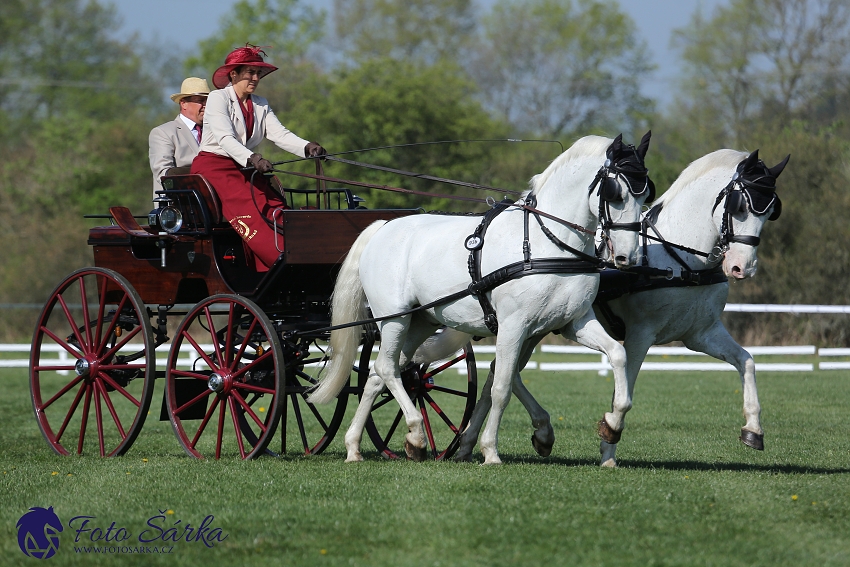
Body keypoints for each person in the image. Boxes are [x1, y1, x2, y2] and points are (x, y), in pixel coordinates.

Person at [191, 45, 326, 271]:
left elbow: (280, 134)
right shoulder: (218, 98)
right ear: (233, 74)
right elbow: (225, 138)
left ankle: (302, 252)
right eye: (250, 73)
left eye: (258, 74)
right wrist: (253, 158)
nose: (255, 78)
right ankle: (279, 258)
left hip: (243, 168)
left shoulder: (261, 103)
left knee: (275, 204)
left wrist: (307, 147)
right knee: (253, 206)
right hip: (214, 167)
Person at [148, 77, 211, 196]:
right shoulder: (163, 132)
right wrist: (203, 171)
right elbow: (164, 175)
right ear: (184, 103)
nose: (206, 106)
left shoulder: (215, 132)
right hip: (178, 207)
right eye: (200, 100)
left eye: (208, 101)